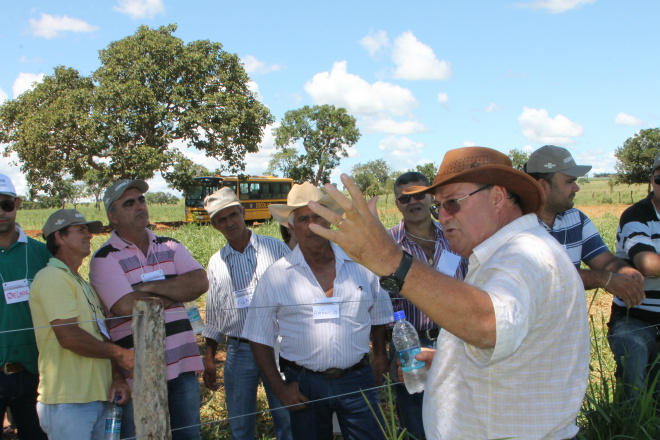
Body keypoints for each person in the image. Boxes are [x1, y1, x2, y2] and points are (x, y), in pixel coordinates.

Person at [308, 147, 590, 440]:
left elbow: (489, 323)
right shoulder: (505, 252)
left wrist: (390, 259)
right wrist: (448, 360)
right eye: (440, 206)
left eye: (453, 203)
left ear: (497, 197)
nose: (443, 216)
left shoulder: (523, 254)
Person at [242, 182, 393, 440]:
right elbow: (258, 336)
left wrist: (380, 357)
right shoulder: (276, 276)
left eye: (319, 216)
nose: (312, 224)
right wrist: (279, 387)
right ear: (291, 227)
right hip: (304, 385)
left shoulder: (360, 264)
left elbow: (379, 315)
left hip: (357, 380)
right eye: (303, 218)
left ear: (330, 221)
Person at [89, 179, 208, 440]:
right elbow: (125, 305)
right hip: (138, 372)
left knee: (189, 436)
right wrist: (174, 291)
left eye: (141, 200)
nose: (139, 206)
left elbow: (200, 282)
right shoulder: (104, 258)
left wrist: (144, 289)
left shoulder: (170, 245)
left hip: (183, 364)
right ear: (113, 216)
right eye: (129, 203)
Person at [29, 209, 133, 439]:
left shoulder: (80, 282)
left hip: (97, 398)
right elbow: (70, 337)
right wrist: (120, 354)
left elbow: (100, 333)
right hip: (68, 403)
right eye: (81, 231)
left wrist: (117, 377)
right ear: (60, 237)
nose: (89, 236)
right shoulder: (51, 278)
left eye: (89, 231)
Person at [202, 188, 292, 440]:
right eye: (221, 219)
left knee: (287, 416)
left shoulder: (276, 249)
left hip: (279, 346)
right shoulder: (216, 263)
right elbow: (214, 315)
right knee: (240, 422)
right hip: (239, 350)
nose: (230, 222)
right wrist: (210, 358)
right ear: (215, 225)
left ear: (243, 213)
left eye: (233, 214)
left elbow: (298, 294)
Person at [386, 171, 467, 439]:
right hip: (410, 346)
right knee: (418, 424)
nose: (414, 202)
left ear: (431, 195)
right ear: (397, 204)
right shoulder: (387, 245)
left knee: (461, 416)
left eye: (420, 194)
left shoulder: (455, 236)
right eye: (405, 198)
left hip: (458, 341)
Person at [524, 145, 644, 308]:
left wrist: (624, 271)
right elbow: (547, 278)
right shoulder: (519, 224)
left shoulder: (577, 219)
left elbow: (605, 261)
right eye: (570, 181)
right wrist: (605, 279)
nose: (576, 188)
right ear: (543, 186)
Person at [0, 174, 49, 440]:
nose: (1, 212)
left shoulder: (40, 254)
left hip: (35, 374)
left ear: (17, 204)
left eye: (6, 205)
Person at [610, 152, 660, 406]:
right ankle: (629, 426)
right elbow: (648, 263)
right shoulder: (637, 215)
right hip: (636, 317)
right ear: (652, 179)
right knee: (634, 353)